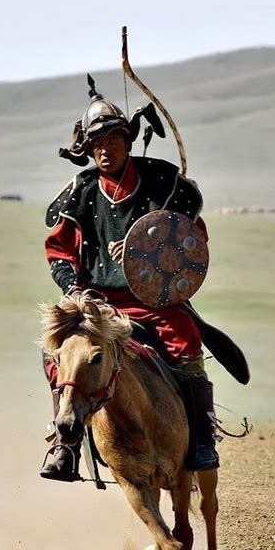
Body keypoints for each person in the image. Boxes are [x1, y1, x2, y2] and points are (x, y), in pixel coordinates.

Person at [40, 78, 220, 482]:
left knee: (187, 340)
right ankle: (64, 444)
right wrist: (75, 291)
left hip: (154, 301)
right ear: (88, 149)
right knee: (59, 353)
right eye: (97, 144)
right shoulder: (80, 193)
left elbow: (194, 240)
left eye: (114, 140)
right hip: (97, 302)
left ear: (128, 140)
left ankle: (201, 439)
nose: (106, 149)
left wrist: (150, 246)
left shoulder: (162, 184)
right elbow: (59, 252)